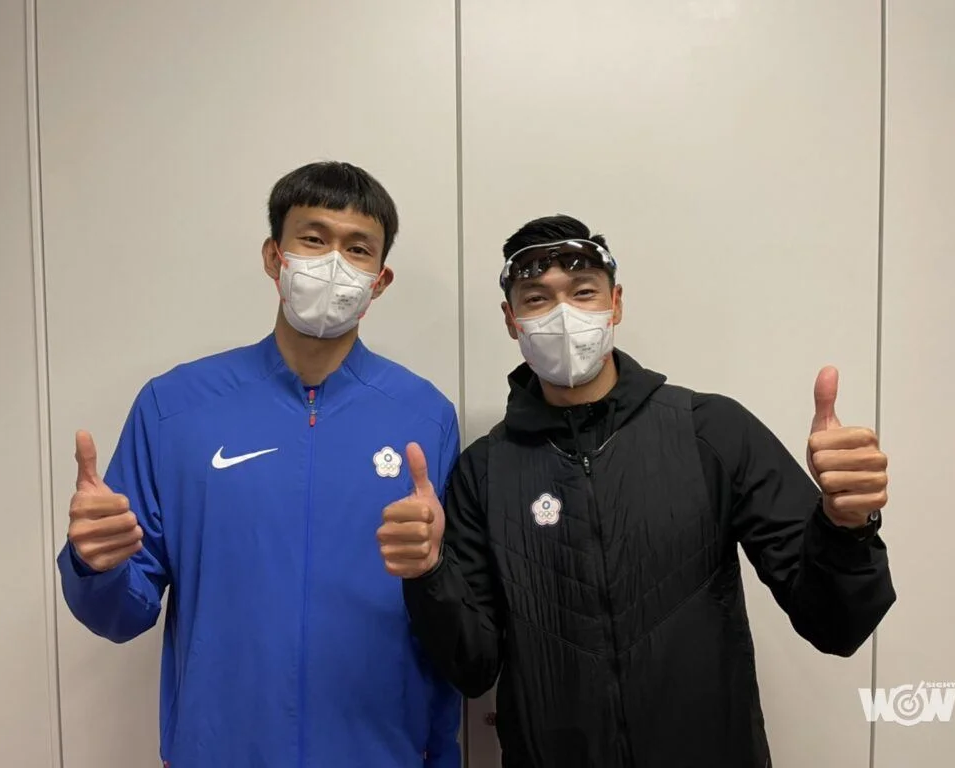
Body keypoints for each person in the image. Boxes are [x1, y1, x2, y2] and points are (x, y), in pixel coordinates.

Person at [378, 215, 895, 767]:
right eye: (537, 299)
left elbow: (836, 625)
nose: (562, 314)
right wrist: (429, 575)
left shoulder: (710, 432)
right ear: (511, 320)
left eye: (583, 293)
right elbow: (473, 666)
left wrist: (847, 528)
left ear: (616, 303)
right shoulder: (485, 471)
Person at [58, 161, 462, 768]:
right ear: (275, 257)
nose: (334, 262)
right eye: (314, 238)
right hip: (218, 749)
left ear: (379, 280)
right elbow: (122, 614)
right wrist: (96, 565)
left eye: (358, 249)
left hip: (380, 750)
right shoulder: (175, 408)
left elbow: (445, 619)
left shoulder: (424, 417)